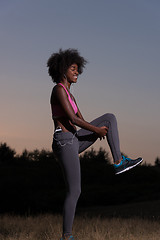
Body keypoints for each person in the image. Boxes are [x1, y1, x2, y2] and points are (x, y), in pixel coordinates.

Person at [47, 49, 143, 240]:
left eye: (78, 69)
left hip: (74, 139)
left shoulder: (71, 96)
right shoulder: (58, 90)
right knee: (75, 190)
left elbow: (82, 121)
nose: (77, 72)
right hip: (64, 142)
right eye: (73, 69)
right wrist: (97, 131)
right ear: (62, 69)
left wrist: (97, 129)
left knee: (109, 118)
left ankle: (118, 161)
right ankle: (66, 236)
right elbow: (73, 119)